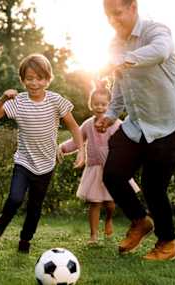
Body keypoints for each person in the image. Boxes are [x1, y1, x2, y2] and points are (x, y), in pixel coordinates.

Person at [96, 0, 175, 260]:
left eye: (117, 13)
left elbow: (160, 51)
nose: (113, 21)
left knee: (153, 186)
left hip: (168, 122)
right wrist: (112, 114)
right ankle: (140, 221)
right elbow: (120, 84)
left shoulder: (156, 31)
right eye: (108, 16)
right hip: (138, 123)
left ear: (133, 7)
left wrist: (124, 59)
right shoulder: (114, 44)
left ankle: (168, 243)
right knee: (113, 174)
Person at [0, 53, 84, 253]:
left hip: (47, 164)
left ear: (48, 79)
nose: (34, 83)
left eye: (40, 78)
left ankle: (25, 241)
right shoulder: (18, 102)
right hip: (23, 162)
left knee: (35, 207)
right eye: (29, 78)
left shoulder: (56, 101)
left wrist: (81, 150)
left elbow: (75, 127)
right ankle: (3, 220)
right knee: (15, 198)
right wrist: (3, 98)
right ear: (22, 80)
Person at [58, 81, 140, 244]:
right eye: (96, 104)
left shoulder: (117, 124)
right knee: (95, 203)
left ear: (110, 106)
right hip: (95, 169)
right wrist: (62, 148)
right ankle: (93, 235)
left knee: (110, 203)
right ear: (91, 104)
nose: (100, 107)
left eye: (104, 104)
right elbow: (78, 140)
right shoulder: (88, 124)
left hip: (113, 168)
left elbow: (128, 142)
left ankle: (109, 219)